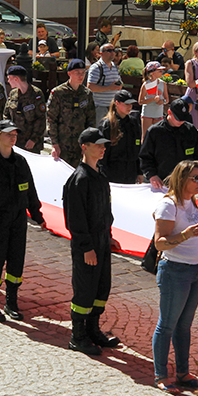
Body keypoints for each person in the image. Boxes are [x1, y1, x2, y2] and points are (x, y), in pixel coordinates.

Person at [152, 160, 198, 393]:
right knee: (167, 325)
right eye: (196, 178)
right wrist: (183, 236)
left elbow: (194, 231)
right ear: (183, 179)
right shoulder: (168, 206)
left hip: (194, 270)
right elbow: (159, 242)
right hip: (175, 271)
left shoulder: (191, 202)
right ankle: (161, 375)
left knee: (184, 325)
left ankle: (182, 372)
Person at [0, 120, 46, 322]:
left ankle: (11, 303)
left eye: (15, 134)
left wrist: (38, 215)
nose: (13, 137)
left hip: (17, 221)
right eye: (9, 134)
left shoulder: (21, 162)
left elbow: (30, 191)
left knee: (16, 263)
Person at [62, 127, 121, 356]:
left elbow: (105, 209)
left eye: (104, 145)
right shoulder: (79, 179)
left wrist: (109, 236)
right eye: (98, 145)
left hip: (102, 240)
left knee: (101, 287)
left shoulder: (100, 174)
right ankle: (78, 336)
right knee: (85, 290)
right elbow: (75, 219)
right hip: (87, 245)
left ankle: (93, 329)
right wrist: (87, 247)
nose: (103, 148)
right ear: (84, 147)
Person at [139, 99, 198, 190]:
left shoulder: (190, 130)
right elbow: (145, 157)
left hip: (185, 181)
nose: (181, 121)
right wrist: (152, 175)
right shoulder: (155, 131)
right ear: (169, 112)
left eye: (183, 118)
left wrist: (196, 174)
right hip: (162, 182)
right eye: (178, 118)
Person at [47, 59, 96, 167]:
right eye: (77, 73)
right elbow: (51, 120)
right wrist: (55, 144)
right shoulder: (58, 93)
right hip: (63, 145)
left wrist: (88, 144)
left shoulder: (86, 94)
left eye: (83, 73)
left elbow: (91, 120)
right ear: (69, 73)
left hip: (80, 145)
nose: (81, 76)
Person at [98, 90, 142, 184]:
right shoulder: (107, 124)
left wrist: (139, 171)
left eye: (131, 104)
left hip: (130, 172)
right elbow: (101, 151)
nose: (130, 107)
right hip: (112, 172)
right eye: (126, 104)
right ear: (117, 103)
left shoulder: (133, 123)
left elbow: (138, 148)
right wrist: (102, 174)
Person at [3, 65, 46, 154]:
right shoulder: (13, 94)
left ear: (16, 79)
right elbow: (6, 114)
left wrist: (33, 139)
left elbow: (41, 119)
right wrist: (9, 133)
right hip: (15, 142)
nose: (8, 81)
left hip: (31, 144)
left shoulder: (36, 94)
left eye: (9, 78)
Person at [87, 43, 123, 123]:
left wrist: (119, 85)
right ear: (101, 53)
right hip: (100, 106)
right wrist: (109, 88)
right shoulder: (96, 68)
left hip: (113, 106)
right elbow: (90, 87)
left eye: (114, 50)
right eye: (109, 50)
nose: (113, 53)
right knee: (100, 130)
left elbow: (118, 81)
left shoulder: (114, 66)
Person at [140, 61, 169, 136]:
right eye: (159, 71)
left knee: (158, 136)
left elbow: (167, 99)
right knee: (146, 136)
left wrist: (163, 101)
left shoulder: (163, 84)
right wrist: (152, 99)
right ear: (152, 73)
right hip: (147, 113)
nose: (161, 72)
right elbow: (140, 101)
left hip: (158, 114)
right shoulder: (146, 84)